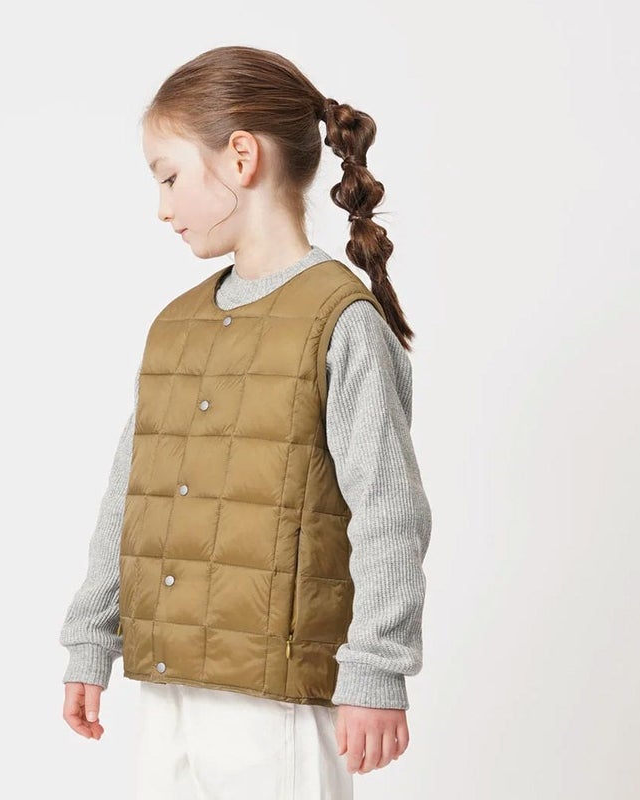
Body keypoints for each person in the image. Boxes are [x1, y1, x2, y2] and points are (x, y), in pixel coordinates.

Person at [59, 45, 432, 799]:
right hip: (170, 687)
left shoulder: (342, 321)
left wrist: (377, 668)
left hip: (280, 698)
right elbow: (130, 494)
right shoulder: (175, 327)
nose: (162, 207)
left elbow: (388, 511)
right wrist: (92, 635)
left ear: (240, 157)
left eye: (169, 177)